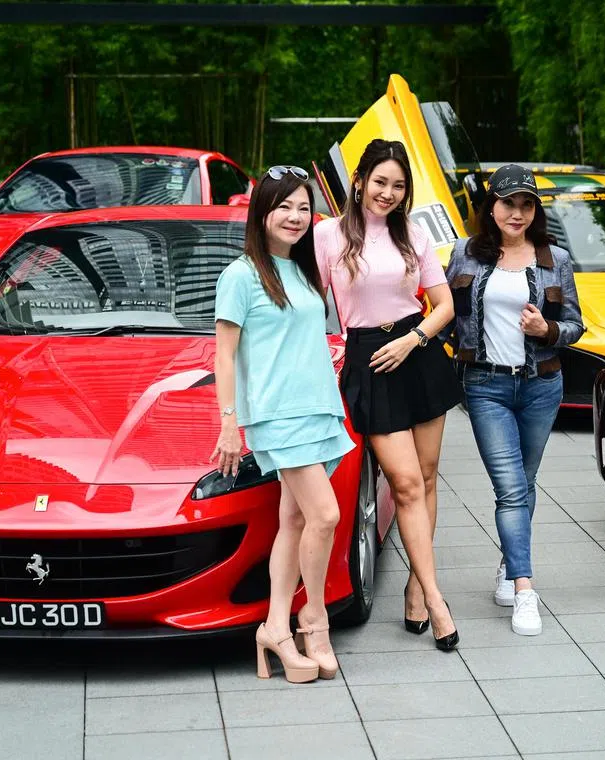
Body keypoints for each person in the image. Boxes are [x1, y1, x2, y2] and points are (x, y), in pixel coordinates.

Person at [314, 139, 461, 651]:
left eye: (398, 186)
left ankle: (418, 589)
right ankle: (439, 599)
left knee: (425, 477)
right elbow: (309, 302)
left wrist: (413, 339)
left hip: (415, 352)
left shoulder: (413, 234)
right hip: (370, 360)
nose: (388, 194)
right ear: (359, 180)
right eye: (380, 182)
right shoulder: (328, 235)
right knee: (403, 483)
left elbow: (442, 305)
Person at [212, 165, 355, 682]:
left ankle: (273, 627)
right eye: (284, 207)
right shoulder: (241, 275)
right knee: (326, 515)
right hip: (278, 414)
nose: (295, 217)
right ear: (262, 212)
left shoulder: (302, 269)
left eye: (303, 207)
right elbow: (224, 356)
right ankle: (312, 618)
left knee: (294, 520)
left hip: (317, 407)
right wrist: (230, 424)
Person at [446, 164, 584, 636]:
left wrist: (546, 329)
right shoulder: (464, 255)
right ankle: (525, 590)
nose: (518, 213)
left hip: (542, 385)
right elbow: (446, 317)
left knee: (524, 483)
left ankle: (509, 564)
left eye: (527, 205)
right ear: (491, 206)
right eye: (508, 203)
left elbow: (575, 325)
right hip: (485, 387)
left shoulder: (555, 259)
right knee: (510, 488)